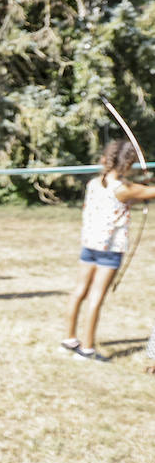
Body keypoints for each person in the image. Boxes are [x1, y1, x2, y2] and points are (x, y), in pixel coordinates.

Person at [61, 140, 155, 362]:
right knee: (95, 297)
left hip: (90, 246)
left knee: (79, 291)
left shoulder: (95, 183)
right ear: (129, 163)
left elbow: (126, 195)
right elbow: (146, 192)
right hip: (109, 251)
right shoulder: (124, 188)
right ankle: (86, 349)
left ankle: (69, 339)